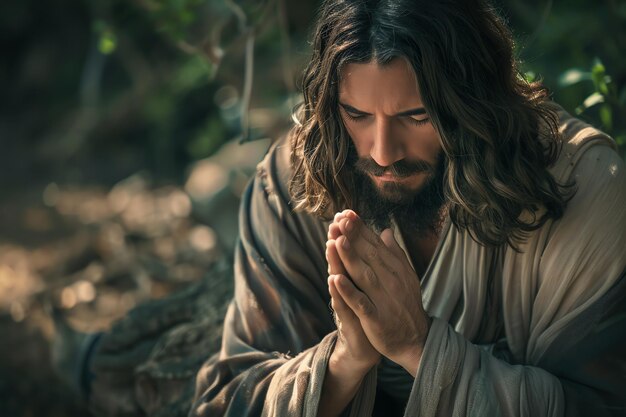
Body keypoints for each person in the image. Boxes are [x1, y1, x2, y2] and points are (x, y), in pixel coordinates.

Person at [188, 0, 626, 416]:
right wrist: (344, 360)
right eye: (356, 114)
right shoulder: (290, 184)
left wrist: (416, 345)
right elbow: (230, 400)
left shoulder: (578, 185)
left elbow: (602, 406)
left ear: (473, 102)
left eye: (416, 117)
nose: (382, 154)